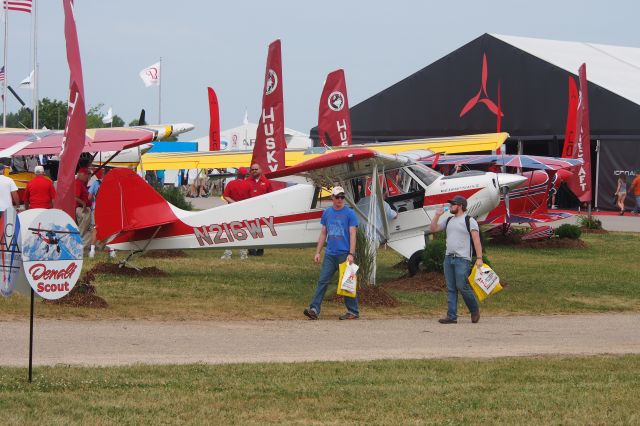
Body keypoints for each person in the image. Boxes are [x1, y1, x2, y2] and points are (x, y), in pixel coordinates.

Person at [304, 186, 360, 321]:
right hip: (330, 254)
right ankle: (314, 309)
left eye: (342, 197)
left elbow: (353, 233)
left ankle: (353, 311)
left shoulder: (350, 213)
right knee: (322, 281)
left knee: (346, 283)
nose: (340, 199)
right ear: (332, 198)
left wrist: (351, 253)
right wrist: (318, 252)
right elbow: (324, 233)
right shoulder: (327, 213)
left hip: (344, 254)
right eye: (337, 197)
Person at [429, 195, 483, 324]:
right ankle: (451, 316)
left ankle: (474, 310)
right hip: (448, 258)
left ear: (461, 206)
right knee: (451, 288)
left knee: (462, 286)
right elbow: (433, 229)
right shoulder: (448, 220)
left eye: (453, 204)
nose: (450, 206)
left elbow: (476, 239)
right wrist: (437, 215)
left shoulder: (469, 220)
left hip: (462, 259)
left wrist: (479, 258)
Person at [220, 167, 251, 260]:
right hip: (244, 210)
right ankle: (243, 254)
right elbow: (250, 199)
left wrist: (234, 203)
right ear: (246, 175)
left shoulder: (231, 183)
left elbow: (225, 196)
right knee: (243, 231)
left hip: (231, 210)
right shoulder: (248, 184)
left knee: (229, 231)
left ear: (237, 174)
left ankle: (227, 254)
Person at [247, 163, 272, 255]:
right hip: (250, 209)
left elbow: (271, 195)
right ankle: (251, 249)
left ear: (260, 170)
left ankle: (260, 249)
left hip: (263, 210)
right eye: (252, 169)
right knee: (250, 229)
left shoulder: (266, 181)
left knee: (262, 230)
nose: (254, 171)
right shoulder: (247, 181)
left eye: (256, 169)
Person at [75, 168, 92, 249]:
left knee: (86, 229)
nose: (87, 177)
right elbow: (75, 197)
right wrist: (84, 204)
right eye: (86, 175)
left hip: (83, 208)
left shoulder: (82, 183)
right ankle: (78, 242)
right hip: (81, 209)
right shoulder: (78, 183)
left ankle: (83, 246)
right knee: (83, 228)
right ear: (81, 174)